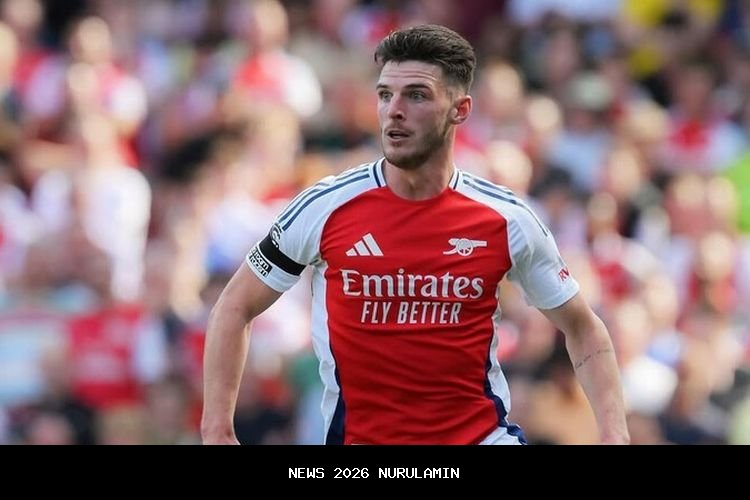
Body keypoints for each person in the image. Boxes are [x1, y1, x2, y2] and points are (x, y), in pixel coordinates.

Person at [201, 24, 630, 445]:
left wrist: (614, 434)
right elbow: (234, 306)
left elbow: (583, 328)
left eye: (417, 95)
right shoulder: (324, 207)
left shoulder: (507, 219)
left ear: (460, 110)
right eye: (385, 95)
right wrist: (217, 430)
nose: (395, 110)